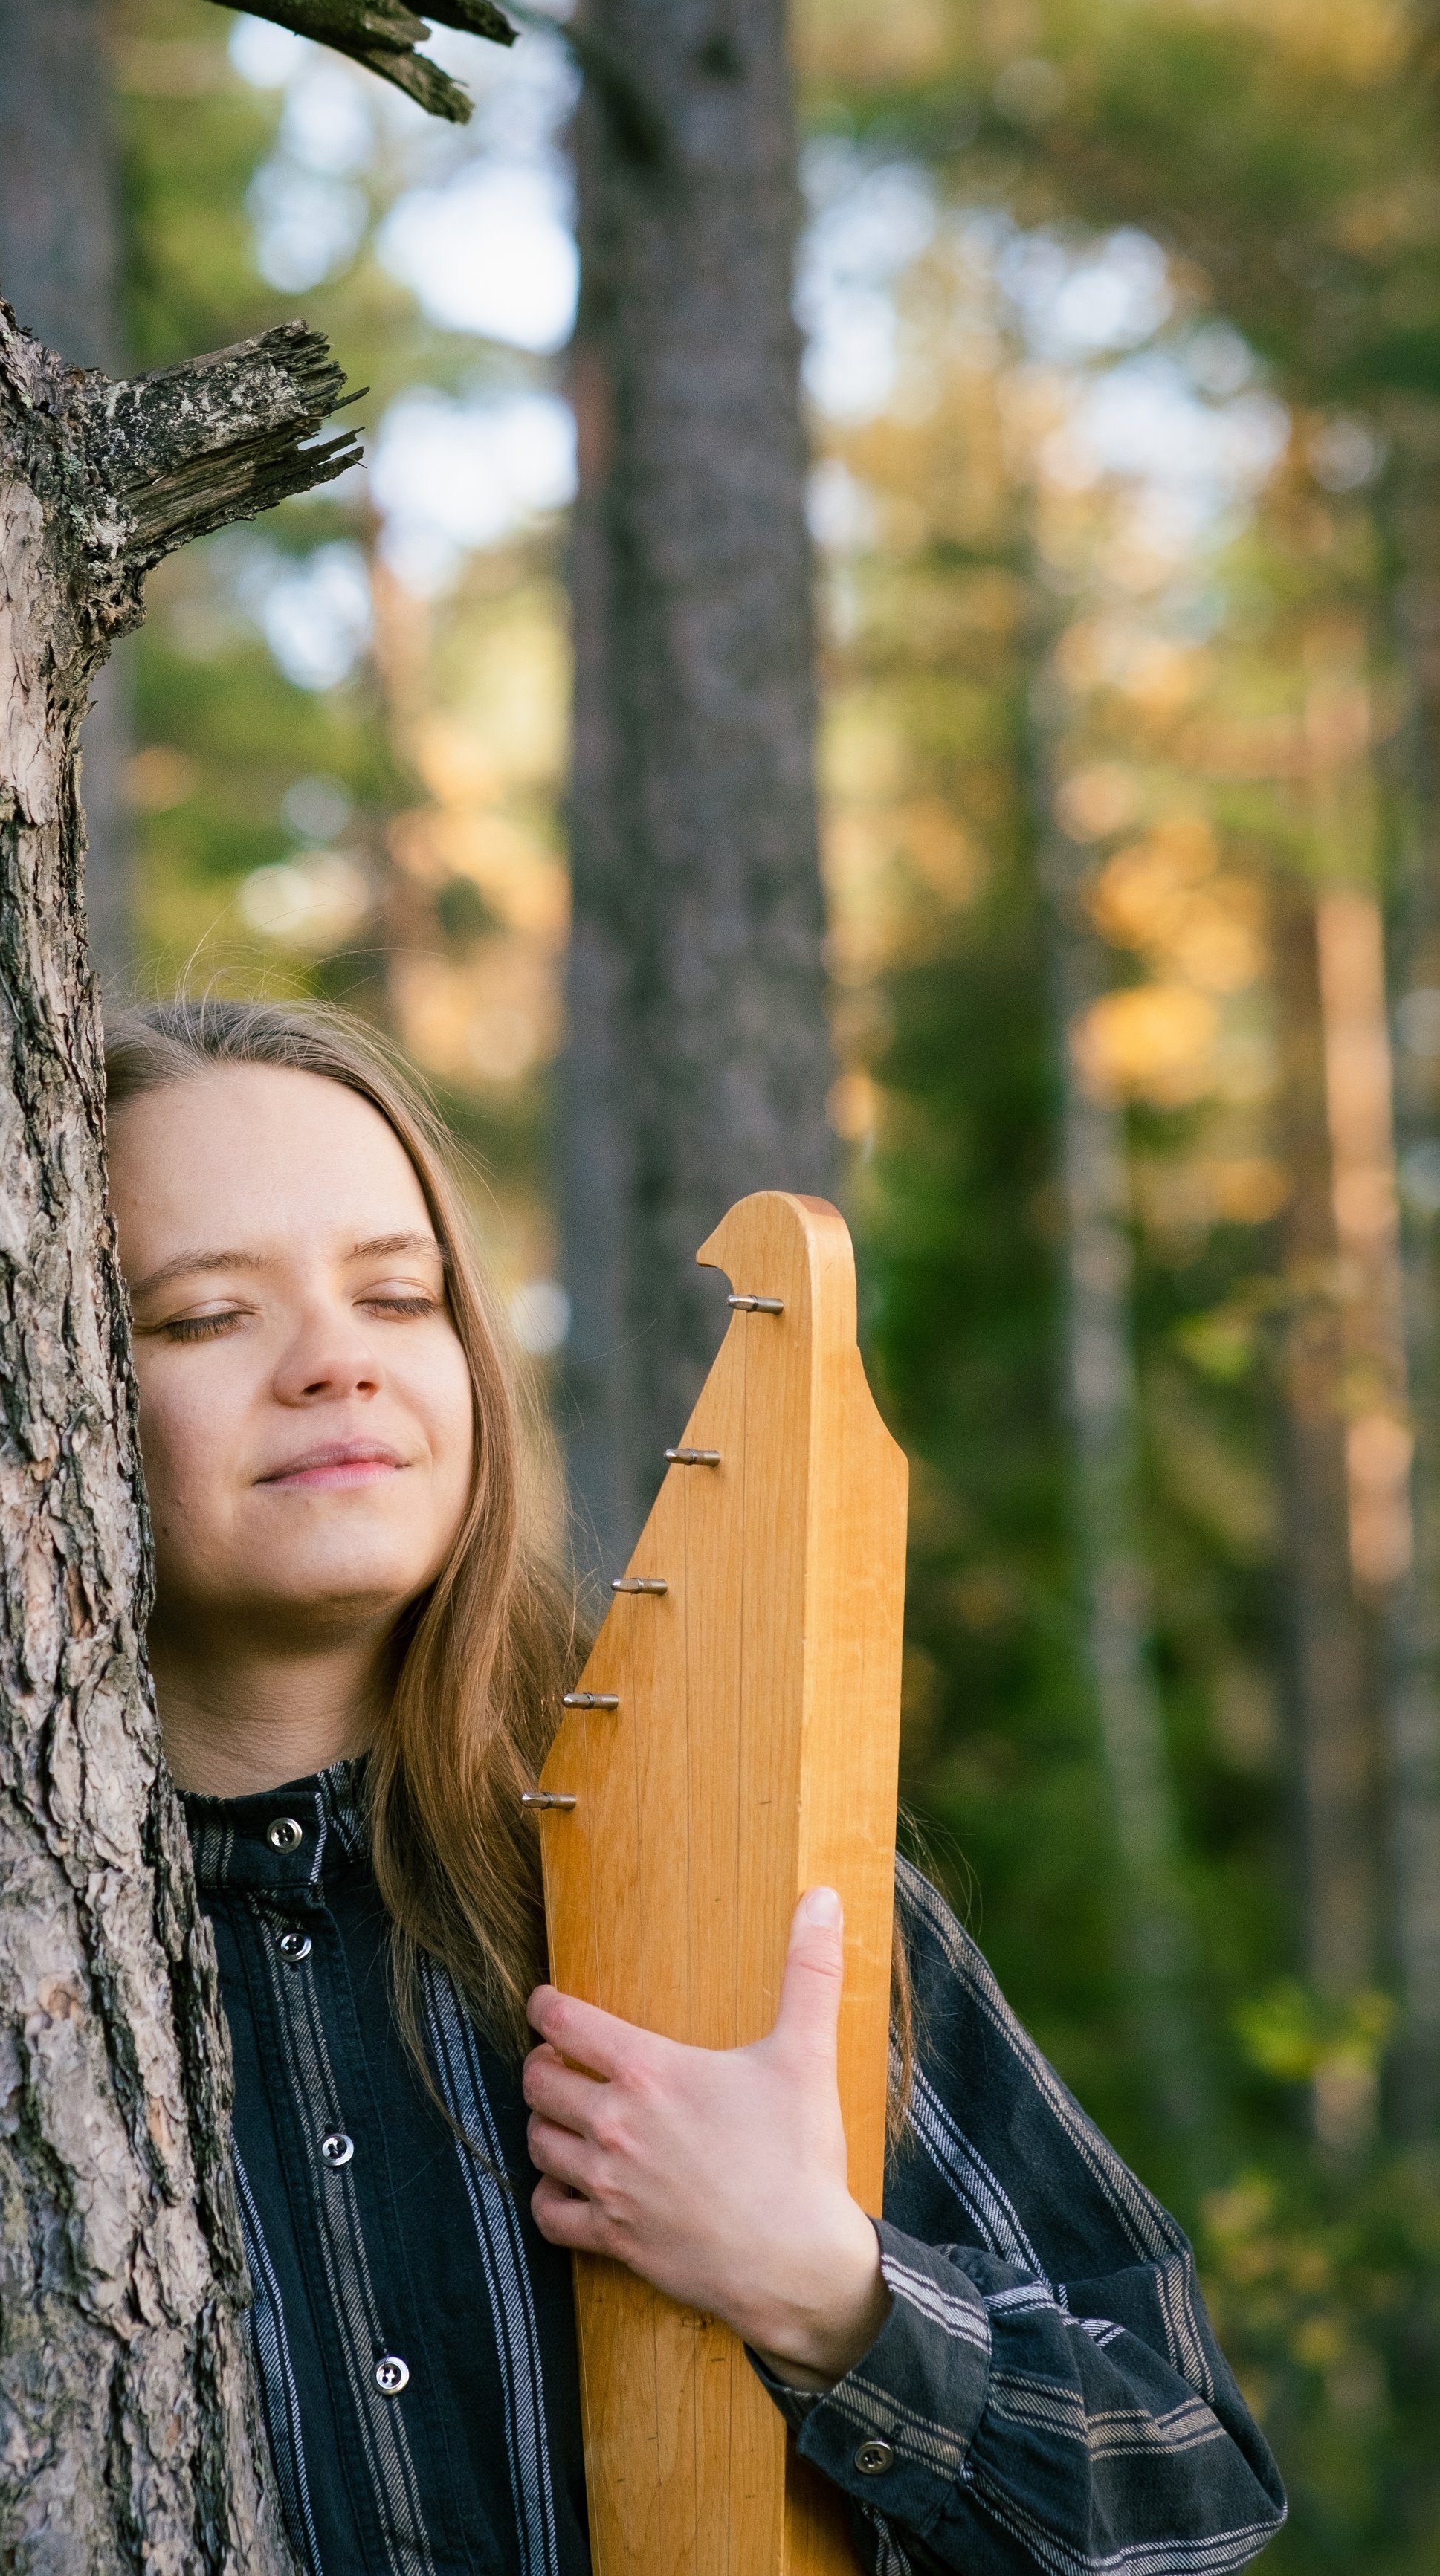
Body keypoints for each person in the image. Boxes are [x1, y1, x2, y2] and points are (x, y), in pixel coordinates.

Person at [106, 994, 1285, 2576]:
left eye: (398, 1298)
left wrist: (821, 2291)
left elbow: (1192, 2494)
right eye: (200, 1317)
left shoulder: (750, 1867)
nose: (336, 1365)